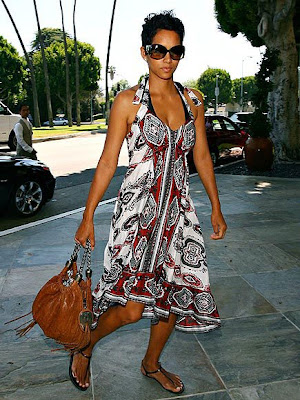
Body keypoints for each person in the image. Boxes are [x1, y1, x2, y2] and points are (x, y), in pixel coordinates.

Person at [72, 11, 227, 394]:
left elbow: (202, 157)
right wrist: (88, 215)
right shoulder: (128, 102)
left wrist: (216, 207)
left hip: (179, 215)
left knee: (173, 298)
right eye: (159, 50)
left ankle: (151, 363)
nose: (167, 59)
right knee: (131, 308)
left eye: (176, 52)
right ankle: (85, 345)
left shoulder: (193, 101)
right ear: (144, 52)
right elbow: (109, 160)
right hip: (137, 218)